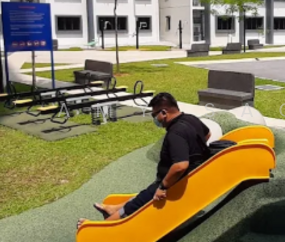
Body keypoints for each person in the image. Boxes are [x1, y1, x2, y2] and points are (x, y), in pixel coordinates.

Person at [78, 93, 210, 228]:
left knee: (139, 203)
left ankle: (101, 228)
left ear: (164, 113)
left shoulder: (176, 133)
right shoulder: (191, 119)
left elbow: (180, 165)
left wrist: (163, 187)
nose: (155, 119)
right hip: (188, 174)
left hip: (175, 182)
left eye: (154, 115)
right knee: (144, 194)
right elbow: (207, 134)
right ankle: (113, 209)